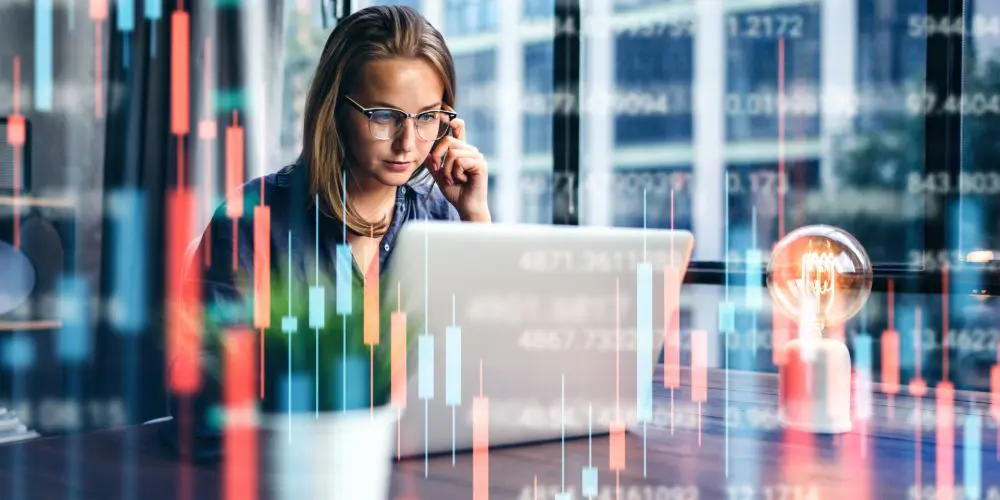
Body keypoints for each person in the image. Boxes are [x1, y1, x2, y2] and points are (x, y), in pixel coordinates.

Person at [161, 5, 490, 461]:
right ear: (334, 109)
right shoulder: (252, 219)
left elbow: (486, 367)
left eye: (428, 117)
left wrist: (475, 217)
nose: (408, 142)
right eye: (383, 116)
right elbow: (197, 389)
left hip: (416, 465)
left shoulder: (441, 218)